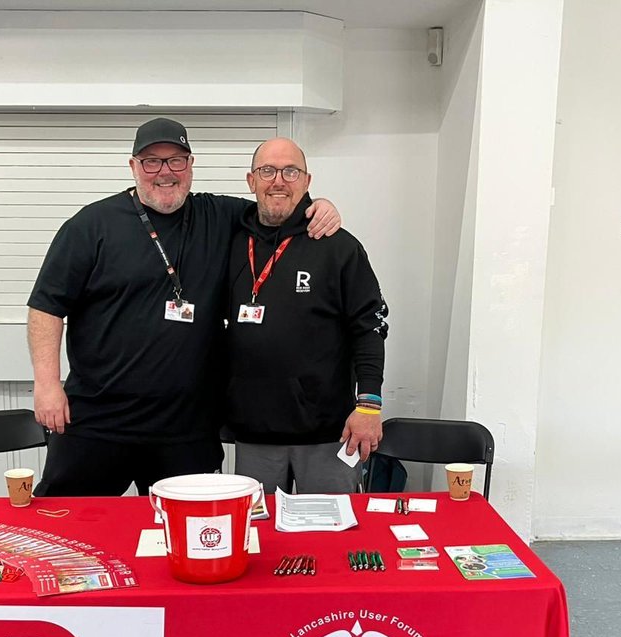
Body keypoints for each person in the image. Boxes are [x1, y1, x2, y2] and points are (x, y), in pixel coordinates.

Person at [26, 118, 340, 496]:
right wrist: (46, 385)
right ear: (133, 167)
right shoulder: (90, 226)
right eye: (151, 162)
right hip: (98, 418)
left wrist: (318, 205)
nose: (165, 173)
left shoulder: (220, 216)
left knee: (188, 534)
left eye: (176, 161)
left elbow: (276, 209)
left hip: (185, 428)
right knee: (71, 523)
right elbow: (46, 307)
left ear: (190, 166)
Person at [225, 138, 388, 494]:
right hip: (254, 435)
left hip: (329, 434)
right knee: (256, 538)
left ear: (307, 180)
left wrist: (369, 406)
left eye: (290, 171)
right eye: (267, 171)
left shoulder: (338, 246)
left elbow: (370, 328)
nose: (278, 180)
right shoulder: (230, 241)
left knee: (332, 537)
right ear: (251, 181)